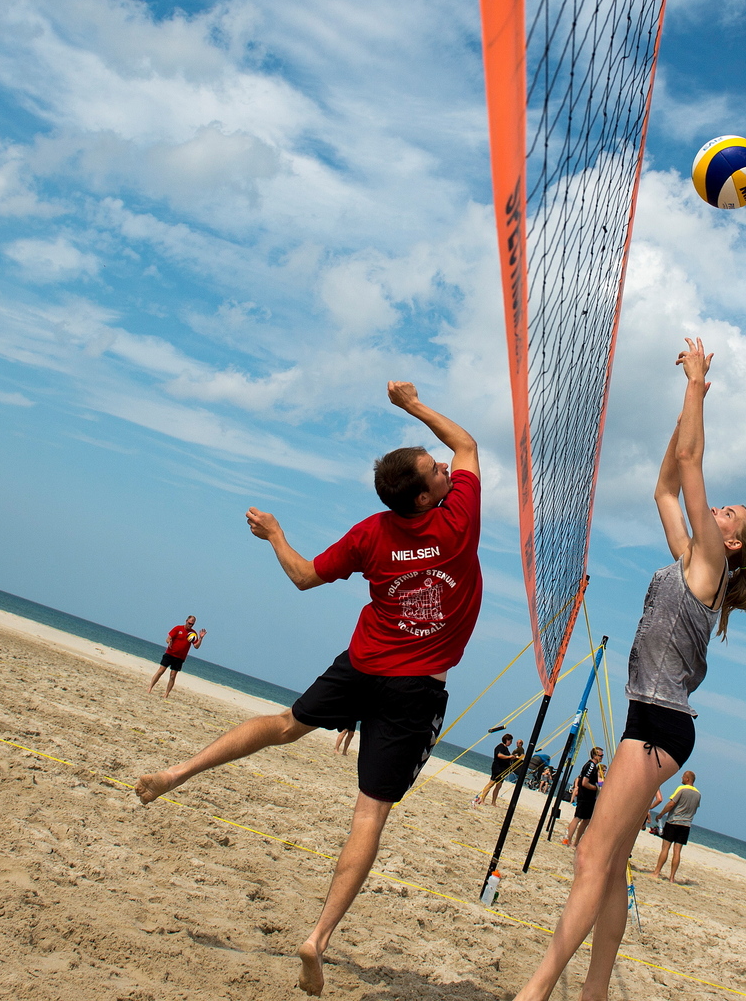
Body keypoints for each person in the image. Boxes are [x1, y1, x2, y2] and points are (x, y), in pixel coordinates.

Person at [135, 381, 480, 997]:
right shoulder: (458, 520)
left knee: (286, 725)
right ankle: (317, 939)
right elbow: (469, 442)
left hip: (362, 665)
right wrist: (412, 405)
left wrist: (273, 533)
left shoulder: (373, 532)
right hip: (412, 689)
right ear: (426, 497)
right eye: (436, 471)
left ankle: (177, 773)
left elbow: (301, 577)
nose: (448, 467)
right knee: (369, 815)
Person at [511, 338, 746, 1001]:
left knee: (590, 854)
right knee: (609, 859)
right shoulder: (689, 556)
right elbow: (665, 483)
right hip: (648, 720)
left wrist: (698, 389)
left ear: (732, 541)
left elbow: (690, 462)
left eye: (727, 513)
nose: (717, 509)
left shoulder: (711, 560)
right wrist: (685, 415)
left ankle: (536, 990)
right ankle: (594, 991)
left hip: (661, 725)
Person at [650, 771, 701, 882]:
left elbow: (671, 804)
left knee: (665, 848)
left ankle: (657, 872)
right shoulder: (698, 794)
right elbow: (695, 809)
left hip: (674, 822)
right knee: (677, 851)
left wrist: (661, 814)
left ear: (687, 779)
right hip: (686, 825)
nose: (681, 778)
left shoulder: (681, 789)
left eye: (683, 776)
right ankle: (672, 877)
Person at [146, 616, 204, 696]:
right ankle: (150, 688)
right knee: (161, 671)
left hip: (180, 658)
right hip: (170, 654)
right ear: (186, 621)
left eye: (192, 624)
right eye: (189, 623)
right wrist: (169, 641)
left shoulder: (192, 633)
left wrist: (200, 638)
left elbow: (196, 646)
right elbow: (168, 638)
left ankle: (166, 694)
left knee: (173, 676)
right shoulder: (178, 628)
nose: (190, 625)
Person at [562, 747, 604, 847]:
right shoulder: (590, 766)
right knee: (578, 818)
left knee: (586, 820)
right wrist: (596, 789)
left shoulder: (593, 766)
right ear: (595, 755)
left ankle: (575, 841)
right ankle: (568, 839)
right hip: (585, 797)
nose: (602, 757)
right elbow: (584, 782)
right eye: (600, 755)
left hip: (589, 798)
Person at [476, 733, 519, 806]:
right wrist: (509, 757)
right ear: (506, 740)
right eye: (510, 741)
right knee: (491, 783)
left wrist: (513, 757)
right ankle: (482, 799)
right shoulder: (500, 747)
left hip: (503, 770)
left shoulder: (506, 749)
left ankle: (493, 802)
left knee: (498, 786)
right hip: (498, 768)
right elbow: (499, 755)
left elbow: (507, 757)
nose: (511, 743)